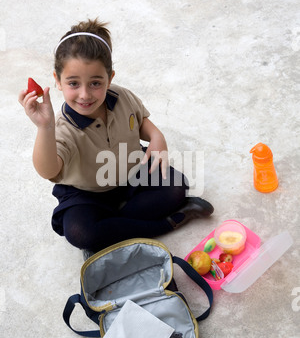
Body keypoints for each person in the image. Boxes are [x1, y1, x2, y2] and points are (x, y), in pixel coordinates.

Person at [19, 18, 214, 257]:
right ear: (57, 81)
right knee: (80, 232)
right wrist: (44, 128)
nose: (84, 94)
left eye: (95, 83)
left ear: (110, 78)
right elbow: (48, 170)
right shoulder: (61, 127)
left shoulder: (122, 97)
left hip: (131, 171)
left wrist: (157, 137)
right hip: (86, 192)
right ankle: (169, 223)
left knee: (176, 188)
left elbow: (142, 122)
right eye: (73, 83)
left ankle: (111, 231)